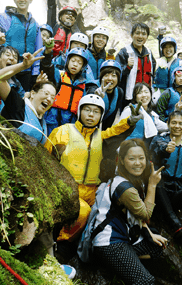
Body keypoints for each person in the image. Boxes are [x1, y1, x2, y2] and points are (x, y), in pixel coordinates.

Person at [46, 95, 142, 242]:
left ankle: (98, 245)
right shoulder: (63, 132)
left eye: (96, 112)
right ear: (79, 111)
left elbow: (116, 132)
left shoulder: (101, 137)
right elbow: (46, 159)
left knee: (112, 210)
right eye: (87, 110)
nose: (91, 115)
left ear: (101, 116)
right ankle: (60, 242)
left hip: (92, 190)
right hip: (67, 187)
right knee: (83, 212)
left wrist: (129, 122)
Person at [91, 139, 168, 285]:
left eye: (141, 158)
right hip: (109, 243)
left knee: (157, 245)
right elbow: (145, 214)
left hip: (123, 237)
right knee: (145, 282)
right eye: (132, 159)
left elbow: (134, 216)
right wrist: (153, 185)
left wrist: (150, 234)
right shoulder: (124, 187)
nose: (138, 163)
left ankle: (121, 262)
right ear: (122, 161)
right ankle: (116, 261)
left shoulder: (131, 180)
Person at [150, 111, 182, 242]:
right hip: (157, 193)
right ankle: (175, 224)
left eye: (180, 123)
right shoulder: (159, 139)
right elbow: (153, 154)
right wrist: (166, 150)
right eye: (173, 122)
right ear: (167, 124)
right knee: (158, 181)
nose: (177, 126)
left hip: (175, 192)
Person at [0, 0, 45, 91]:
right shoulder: (6, 18)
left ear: (31, 0)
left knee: (22, 102)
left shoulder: (35, 24)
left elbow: (38, 49)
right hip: (8, 68)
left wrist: (35, 73)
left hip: (26, 71)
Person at [0, 47, 57, 145]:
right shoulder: (18, 106)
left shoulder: (43, 121)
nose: (49, 99)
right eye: (46, 93)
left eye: (52, 97)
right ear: (32, 93)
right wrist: (23, 65)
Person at [43, 47, 98, 133]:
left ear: (83, 67)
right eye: (73, 61)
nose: (75, 64)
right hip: (52, 119)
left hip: (71, 123)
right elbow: (47, 67)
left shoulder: (83, 84)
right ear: (68, 62)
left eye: (79, 63)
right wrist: (48, 53)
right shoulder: (59, 75)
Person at [116, 22, 157, 107]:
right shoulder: (124, 52)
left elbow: (152, 74)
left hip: (146, 97)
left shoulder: (149, 53)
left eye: (144, 34)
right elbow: (116, 74)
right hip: (128, 98)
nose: (140, 36)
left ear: (147, 37)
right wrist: (127, 67)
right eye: (137, 33)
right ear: (131, 35)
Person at [120, 82, 168, 151]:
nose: (144, 95)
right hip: (128, 150)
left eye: (146, 92)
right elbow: (118, 131)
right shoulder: (129, 110)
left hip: (142, 152)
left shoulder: (152, 115)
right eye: (139, 93)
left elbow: (166, 127)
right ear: (135, 96)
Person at [95, 60, 125, 130]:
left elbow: (111, 116)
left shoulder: (120, 92)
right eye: (106, 75)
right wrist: (96, 97)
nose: (110, 78)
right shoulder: (94, 87)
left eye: (114, 76)